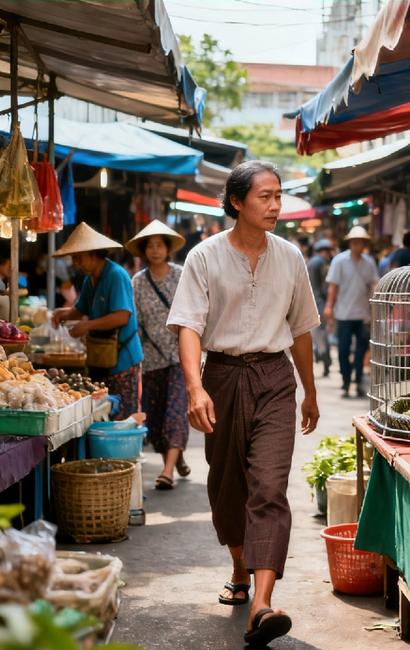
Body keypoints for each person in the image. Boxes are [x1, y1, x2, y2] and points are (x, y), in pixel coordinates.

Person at [167, 160, 320, 646]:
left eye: (279, 196)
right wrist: (195, 387)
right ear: (237, 201)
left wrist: (310, 390)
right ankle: (239, 565)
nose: (276, 206)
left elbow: (300, 329)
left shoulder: (292, 257)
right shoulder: (204, 257)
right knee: (227, 483)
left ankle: (262, 603)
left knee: (270, 486)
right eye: (266, 197)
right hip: (224, 377)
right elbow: (188, 325)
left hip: (275, 377)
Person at [51, 224, 144, 420]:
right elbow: (81, 309)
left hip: (123, 360)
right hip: (100, 357)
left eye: (79, 257)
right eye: (74, 258)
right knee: (100, 416)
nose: (76, 262)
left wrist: (88, 325)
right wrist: (63, 313)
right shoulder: (90, 279)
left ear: (94, 254)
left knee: (120, 418)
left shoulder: (115, 275)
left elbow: (122, 316)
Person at [126, 220, 191, 490]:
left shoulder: (181, 275)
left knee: (176, 412)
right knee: (156, 414)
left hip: (179, 356)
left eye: (159, 245)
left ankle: (167, 472)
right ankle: (175, 457)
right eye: (149, 246)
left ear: (167, 249)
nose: (154, 250)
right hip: (150, 359)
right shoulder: (137, 282)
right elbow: (135, 322)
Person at [324, 226, 379, 399]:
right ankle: (346, 381)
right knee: (342, 350)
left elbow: (374, 285)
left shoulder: (369, 262)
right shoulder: (339, 261)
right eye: (355, 242)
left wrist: (375, 308)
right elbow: (333, 286)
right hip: (344, 314)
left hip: (363, 315)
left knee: (361, 351)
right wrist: (329, 307)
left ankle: (359, 380)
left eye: (361, 242)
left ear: (364, 244)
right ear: (350, 243)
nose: (358, 245)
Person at [307, 239, 335, 377]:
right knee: (323, 335)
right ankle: (325, 361)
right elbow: (325, 287)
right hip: (320, 303)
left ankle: (320, 355)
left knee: (316, 335)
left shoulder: (310, 262)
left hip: (310, 303)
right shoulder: (322, 264)